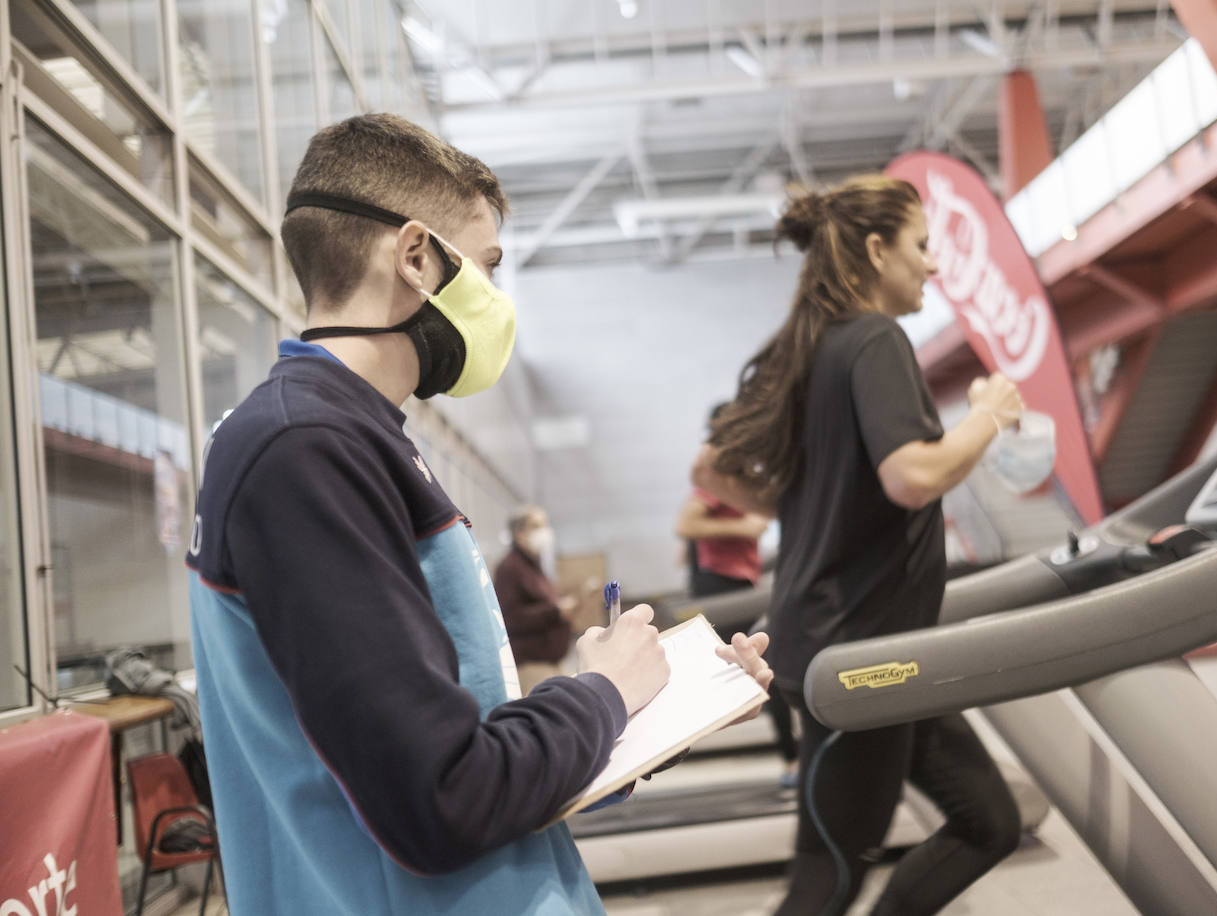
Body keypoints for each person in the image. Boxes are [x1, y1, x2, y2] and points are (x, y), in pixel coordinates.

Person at [185, 113, 773, 915]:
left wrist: (651, 705)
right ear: (418, 257)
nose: (494, 300)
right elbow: (441, 799)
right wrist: (599, 694)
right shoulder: (304, 451)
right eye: (487, 268)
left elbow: (463, 754)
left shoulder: (349, 438)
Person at [694, 174, 1025, 916]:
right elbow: (913, 476)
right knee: (827, 877)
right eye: (921, 247)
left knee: (989, 822)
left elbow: (709, 466)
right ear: (878, 251)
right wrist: (987, 417)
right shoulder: (874, 338)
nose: (933, 265)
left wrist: (813, 510)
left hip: (886, 652)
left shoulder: (811, 346)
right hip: (862, 662)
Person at [676, 404, 799, 785]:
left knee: (764, 667)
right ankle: (793, 759)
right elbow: (687, 523)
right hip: (722, 585)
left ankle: (793, 757)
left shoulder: (740, 476)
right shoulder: (717, 477)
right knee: (767, 666)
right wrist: (744, 527)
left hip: (739, 582)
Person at [495, 505, 579, 695]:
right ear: (519, 533)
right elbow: (510, 618)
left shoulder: (532, 565)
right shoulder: (510, 568)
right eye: (536, 526)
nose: (544, 531)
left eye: (545, 525)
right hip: (532, 665)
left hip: (550, 662)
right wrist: (555, 611)